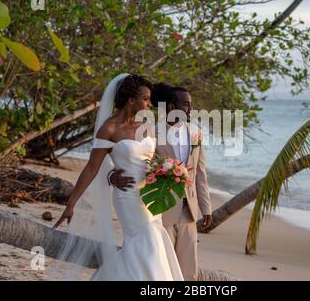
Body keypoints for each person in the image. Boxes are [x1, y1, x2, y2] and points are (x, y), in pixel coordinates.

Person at [52, 74, 183, 281]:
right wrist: (71, 203)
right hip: (127, 196)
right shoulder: (109, 129)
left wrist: (167, 171)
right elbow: (91, 168)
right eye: (146, 99)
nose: (150, 104)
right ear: (131, 100)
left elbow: (152, 159)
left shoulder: (147, 127)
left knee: (152, 239)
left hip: (149, 194)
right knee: (148, 239)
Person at [109, 82, 212, 281]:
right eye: (186, 104)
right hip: (161, 207)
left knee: (189, 270)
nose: (191, 109)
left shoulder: (196, 133)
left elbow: (200, 173)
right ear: (172, 108)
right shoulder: (152, 132)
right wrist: (111, 176)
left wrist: (206, 207)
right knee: (162, 266)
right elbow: (133, 161)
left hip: (188, 210)